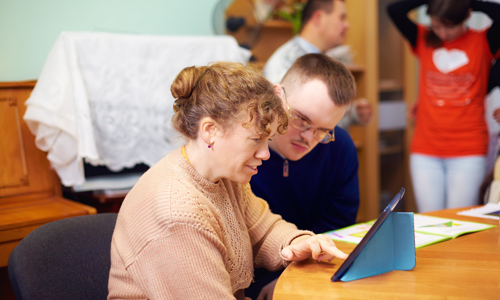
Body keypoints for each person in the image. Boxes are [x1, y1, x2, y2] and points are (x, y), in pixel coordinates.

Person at [107, 61, 348, 300]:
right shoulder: (177, 215)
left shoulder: (224, 176)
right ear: (210, 130)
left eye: (268, 140)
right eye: (255, 140)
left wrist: (298, 241)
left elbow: (264, 230)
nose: (265, 153)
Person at [246, 53, 359, 299]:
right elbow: (237, 238)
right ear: (277, 95)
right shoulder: (241, 147)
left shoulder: (339, 148)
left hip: (312, 274)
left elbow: (336, 228)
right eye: (301, 119)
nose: (308, 138)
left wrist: (291, 278)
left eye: (323, 131)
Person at [387, 0, 500, 212]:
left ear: (466, 16)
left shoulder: (483, 41)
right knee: (429, 219)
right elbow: (394, 10)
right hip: (425, 150)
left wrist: (467, 3)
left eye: (449, 26)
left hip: (468, 151)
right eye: (437, 26)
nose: (443, 34)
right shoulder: (423, 38)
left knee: (459, 221)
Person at [263, 0, 372, 129]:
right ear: (318, 18)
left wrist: (352, 113)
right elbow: (287, 123)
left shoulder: (324, 59)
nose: (347, 25)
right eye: (341, 18)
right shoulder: (286, 62)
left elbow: (322, 116)